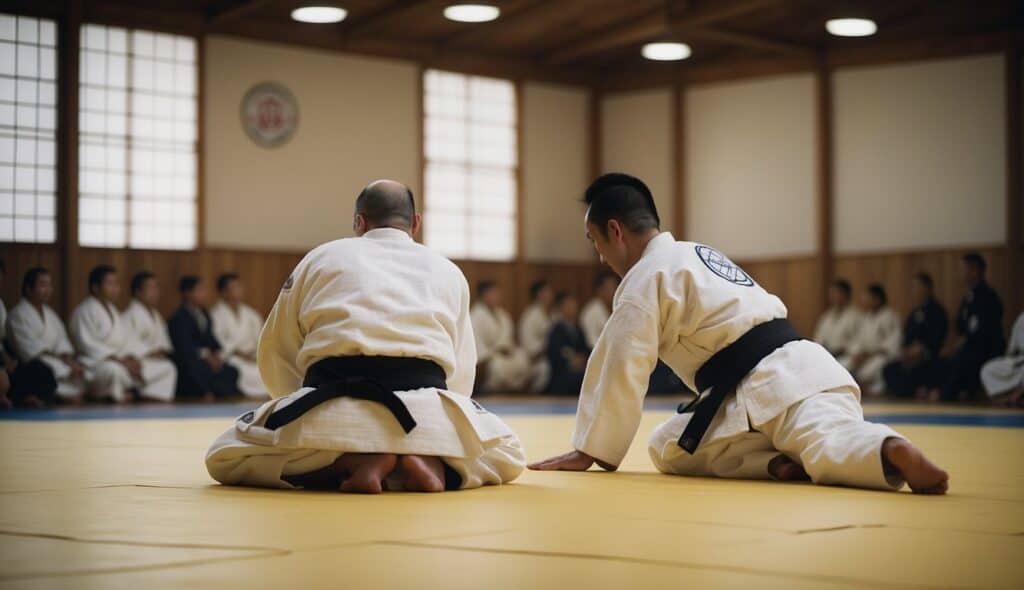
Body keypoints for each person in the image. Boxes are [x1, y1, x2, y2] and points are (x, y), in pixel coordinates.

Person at [529, 173, 949, 495]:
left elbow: (623, 362)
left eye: (595, 241)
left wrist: (591, 448)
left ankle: (888, 449)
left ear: (616, 231)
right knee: (670, 444)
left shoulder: (644, 279)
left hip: (767, 385)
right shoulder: (698, 253)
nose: (600, 256)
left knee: (825, 437)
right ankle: (777, 463)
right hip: (809, 365)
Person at [205, 179, 524, 493]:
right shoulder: (449, 270)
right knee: (508, 453)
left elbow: (278, 349)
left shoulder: (321, 258)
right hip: (425, 414)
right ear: (415, 222)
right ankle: (438, 464)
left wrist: (296, 397)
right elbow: (461, 371)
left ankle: (345, 464)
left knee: (225, 456)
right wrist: (442, 424)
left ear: (359, 221)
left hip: (330, 407)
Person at [70, 265, 171, 403]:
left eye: (117, 284)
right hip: (96, 364)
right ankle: (110, 395)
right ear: (95, 287)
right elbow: (88, 345)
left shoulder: (114, 312)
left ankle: (140, 394)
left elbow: (127, 340)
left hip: (121, 361)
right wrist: (119, 360)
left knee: (167, 367)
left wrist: (132, 358)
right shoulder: (83, 311)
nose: (115, 288)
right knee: (113, 370)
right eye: (110, 284)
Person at [927, 253, 1005, 402]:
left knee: (963, 358)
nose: (960, 273)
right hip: (967, 347)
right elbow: (960, 328)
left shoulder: (988, 297)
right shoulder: (968, 297)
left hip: (983, 349)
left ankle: (947, 393)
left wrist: (957, 346)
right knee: (940, 357)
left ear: (974, 271)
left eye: (963, 269)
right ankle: (947, 389)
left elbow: (980, 334)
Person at [6, 267, 85, 405]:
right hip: (32, 364)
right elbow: (28, 351)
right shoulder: (17, 314)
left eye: (49, 285)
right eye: (43, 285)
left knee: (82, 372)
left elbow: (62, 342)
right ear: (28, 288)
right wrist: (63, 363)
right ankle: (49, 395)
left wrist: (69, 360)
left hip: (56, 360)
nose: (48, 289)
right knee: (47, 370)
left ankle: (55, 393)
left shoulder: (51, 315)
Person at [168, 276, 239, 400]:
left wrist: (216, 353)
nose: (203, 294)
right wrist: (206, 356)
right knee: (194, 368)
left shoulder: (204, 314)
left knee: (232, 371)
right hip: (190, 359)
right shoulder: (178, 318)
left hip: (206, 358)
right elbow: (185, 347)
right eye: (199, 290)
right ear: (187, 293)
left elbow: (211, 339)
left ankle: (214, 391)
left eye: (204, 290)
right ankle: (203, 392)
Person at [882, 273, 948, 398]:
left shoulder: (937, 310)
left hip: (928, 355)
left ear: (928, 288)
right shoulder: (914, 313)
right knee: (889, 369)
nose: (915, 290)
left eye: (918, 286)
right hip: (910, 356)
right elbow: (906, 336)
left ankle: (923, 388)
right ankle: (914, 391)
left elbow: (937, 337)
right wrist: (906, 350)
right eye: (913, 287)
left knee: (931, 366)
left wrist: (922, 348)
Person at [210, 273, 268, 398]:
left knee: (267, 370)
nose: (239, 290)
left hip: (252, 356)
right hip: (232, 357)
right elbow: (219, 341)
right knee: (244, 371)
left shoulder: (251, 314)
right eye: (234, 287)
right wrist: (241, 354)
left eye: (240, 286)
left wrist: (255, 354)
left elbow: (261, 338)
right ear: (224, 292)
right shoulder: (216, 314)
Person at [122, 271, 178, 401]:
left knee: (169, 367)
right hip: (139, 360)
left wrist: (162, 351)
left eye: (156, 287)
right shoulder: (130, 315)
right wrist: (150, 352)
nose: (155, 292)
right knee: (167, 368)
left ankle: (142, 394)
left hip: (155, 360)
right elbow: (128, 343)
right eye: (150, 288)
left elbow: (164, 342)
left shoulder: (156, 315)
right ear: (138, 292)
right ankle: (138, 392)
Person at [838, 284, 901, 396]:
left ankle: (876, 387)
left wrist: (869, 355)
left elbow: (892, 344)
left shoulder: (889, 316)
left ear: (877, 299)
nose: (864, 300)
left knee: (870, 369)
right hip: (864, 355)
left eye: (867, 298)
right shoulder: (867, 317)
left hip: (881, 356)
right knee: (842, 364)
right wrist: (857, 354)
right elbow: (859, 341)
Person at [470, 281, 530, 393]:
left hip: (505, 353)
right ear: (484, 295)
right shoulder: (475, 316)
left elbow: (507, 338)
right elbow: (476, 344)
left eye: (497, 294)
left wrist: (507, 348)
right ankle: (491, 390)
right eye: (493, 293)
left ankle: (514, 391)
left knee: (522, 357)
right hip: (488, 357)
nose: (496, 297)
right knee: (496, 366)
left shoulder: (503, 315)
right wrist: (495, 351)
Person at [545, 292, 589, 395]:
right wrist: (571, 361)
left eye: (574, 304)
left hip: (580, 370)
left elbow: (585, 349)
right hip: (562, 374)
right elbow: (555, 355)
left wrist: (583, 358)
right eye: (568, 305)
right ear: (561, 308)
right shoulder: (556, 330)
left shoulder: (578, 329)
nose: (573, 307)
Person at [518, 280, 555, 393]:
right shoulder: (531, 316)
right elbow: (529, 345)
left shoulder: (553, 314)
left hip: (550, 355)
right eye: (546, 291)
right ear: (539, 294)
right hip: (533, 359)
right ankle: (533, 394)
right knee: (545, 368)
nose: (550, 294)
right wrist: (546, 348)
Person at [980, 312, 1024, 406]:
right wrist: (1008, 361)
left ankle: (1016, 397)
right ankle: (1000, 398)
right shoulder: (1021, 318)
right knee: (987, 369)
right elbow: (1012, 349)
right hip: (1019, 361)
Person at [813, 279, 861, 358]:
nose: (832, 296)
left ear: (845, 295)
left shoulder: (855, 316)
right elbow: (819, 337)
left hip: (847, 355)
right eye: (831, 293)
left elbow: (858, 340)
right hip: (827, 353)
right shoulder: (827, 315)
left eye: (835, 293)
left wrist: (844, 350)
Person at [580, 272, 618, 349]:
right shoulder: (591, 312)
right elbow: (591, 342)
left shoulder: (611, 308)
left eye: (615, 287)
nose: (614, 291)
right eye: (610, 288)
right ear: (600, 290)